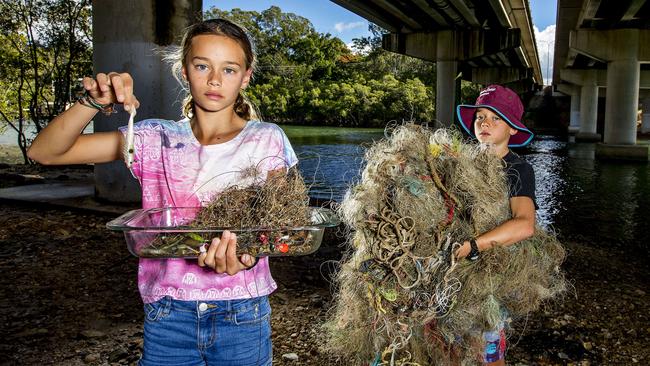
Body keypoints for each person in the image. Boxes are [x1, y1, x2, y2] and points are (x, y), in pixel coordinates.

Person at [27, 18, 296, 366]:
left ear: (245, 76)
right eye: (202, 66)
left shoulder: (267, 139)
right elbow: (45, 152)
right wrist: (93, 103)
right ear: (184, 72)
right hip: (168, 315)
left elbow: (282, 227)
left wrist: (251, 255)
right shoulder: (153, 138)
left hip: (242, 312)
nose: (214, 79)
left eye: (229, 70)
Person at [455, 84, 537, 366]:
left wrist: (472, 246)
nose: (484, 123)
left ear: (513, 129)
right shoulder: (460, 165)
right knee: (450, 343)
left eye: (495, 118)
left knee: (488, 351)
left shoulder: (518, 168)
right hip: (454, 268)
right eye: (479, 117)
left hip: (490, 273)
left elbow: (525, 225)